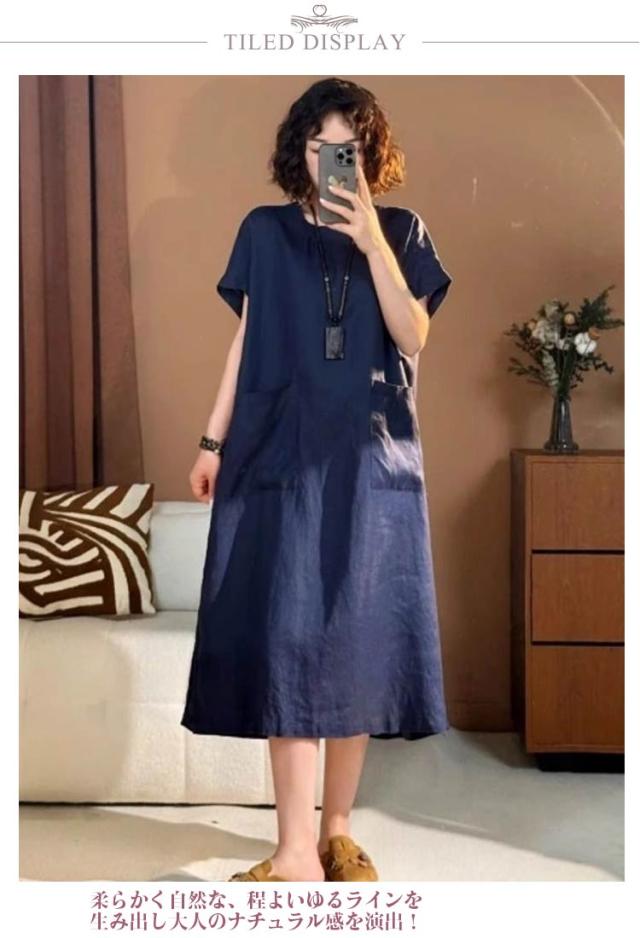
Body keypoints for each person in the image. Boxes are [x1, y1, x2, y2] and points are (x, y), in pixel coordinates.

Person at [181, 77, 453, 883]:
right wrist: (211, 440)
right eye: (319, 145)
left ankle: (337, 834)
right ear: (297, 151)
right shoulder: (263, 232)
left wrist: (370, 242)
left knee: (356, 639)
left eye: (350, 148)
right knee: (288, 639)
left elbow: (413, 337)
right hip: (277, 452)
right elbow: (246, 342)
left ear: (370, 155)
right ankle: (295, 849)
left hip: (371, 458)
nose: (334, 160)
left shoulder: (401, 230)